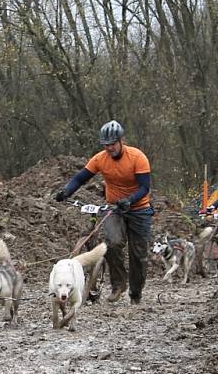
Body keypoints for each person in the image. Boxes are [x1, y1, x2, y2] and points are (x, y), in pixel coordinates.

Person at [54, 120, 153, 305]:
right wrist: (66, 191)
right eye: (106, 145)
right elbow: (81, 178)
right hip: (114, 208)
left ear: (121, 141)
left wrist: (130, 200)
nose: (109, 148)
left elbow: (145, 187)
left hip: (139, 209)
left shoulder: (137, 157)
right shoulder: (100, 159)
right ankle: (118, 284)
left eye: (112, 144)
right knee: (112, 243)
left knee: (138, 254)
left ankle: (136, 293)